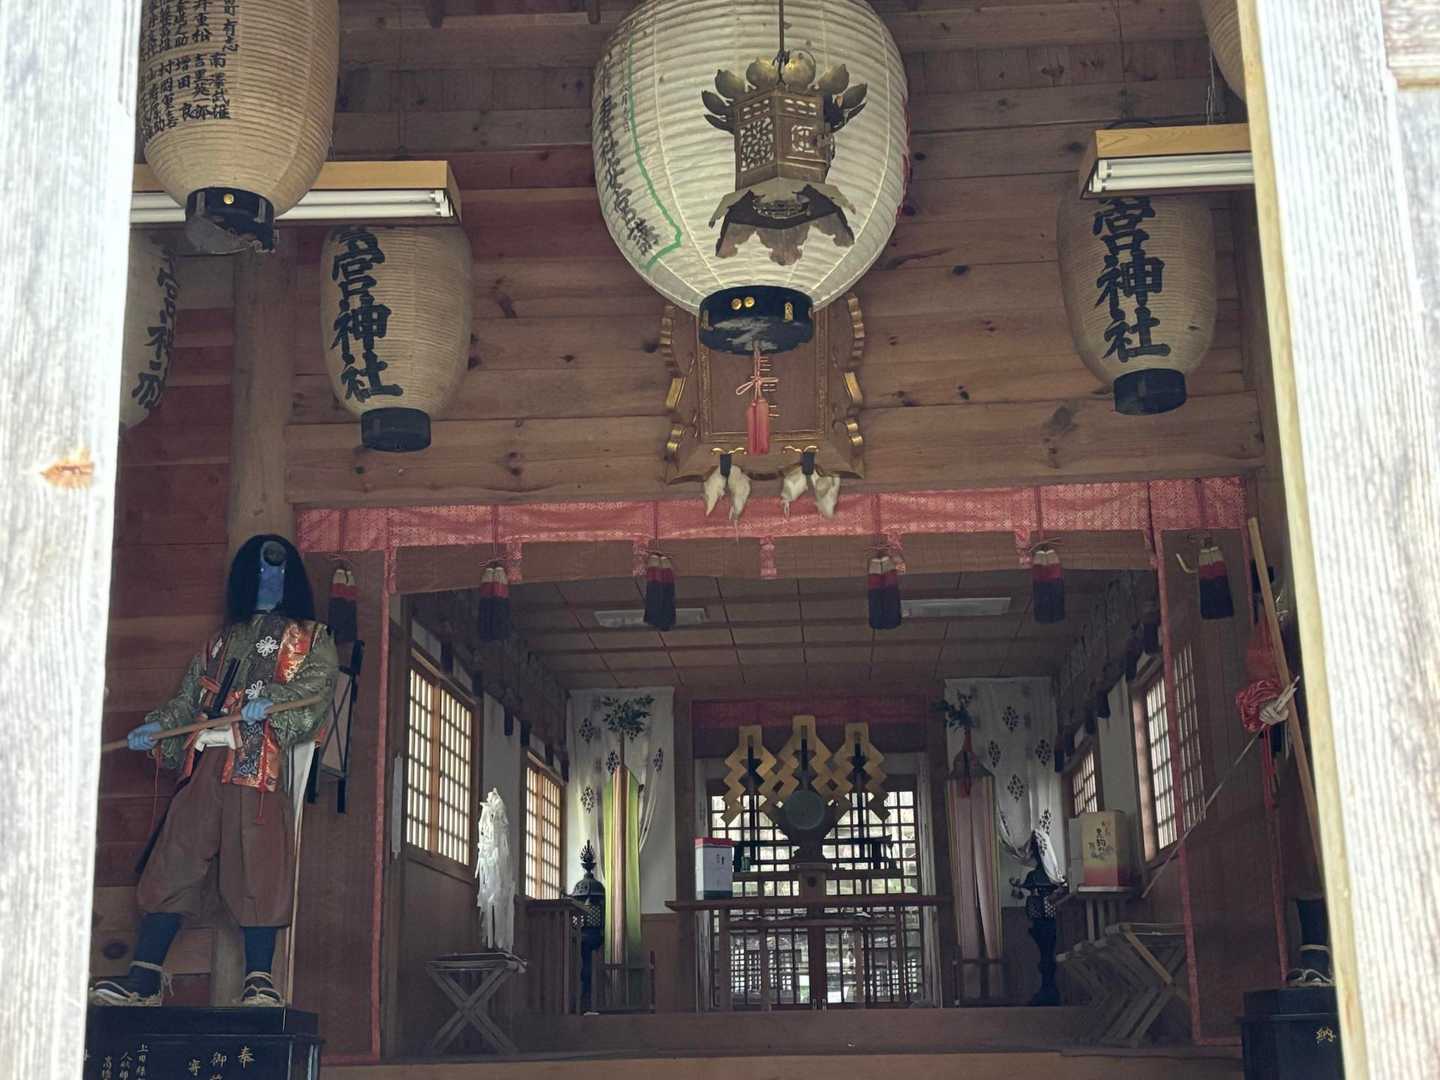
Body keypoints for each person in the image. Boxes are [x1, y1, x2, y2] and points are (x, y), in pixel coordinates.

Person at [90, 535, 338, 1008]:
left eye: (278, 571)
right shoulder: (221, 640)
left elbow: (317, 687)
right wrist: (157, 728)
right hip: (205, 759)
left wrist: (273, 703)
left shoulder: (311, 637)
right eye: (260, 571)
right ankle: (144, 977)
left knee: (258, 864)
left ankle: (259, 979)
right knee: (175, 857)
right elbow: (188, 700)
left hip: (258, 764)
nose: (269, 580)